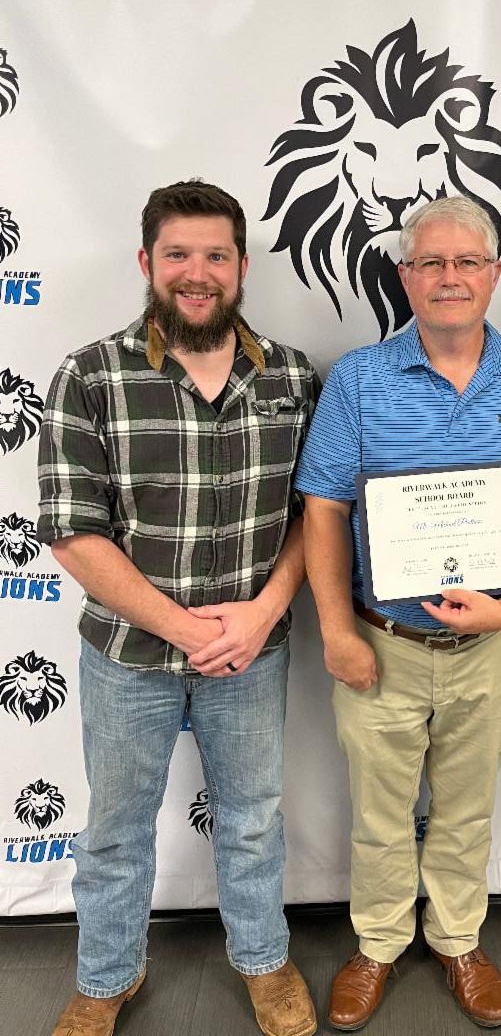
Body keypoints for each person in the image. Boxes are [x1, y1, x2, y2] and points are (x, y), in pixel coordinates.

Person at [37, 180, 320, 1036]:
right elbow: (73, 533)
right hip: (129, 658)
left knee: (253, 822)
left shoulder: (293, 378)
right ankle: (106, 977)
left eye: (216, 255)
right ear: (147, 262)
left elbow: (316, 517)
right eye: (178, 255)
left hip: (253, 653)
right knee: (116, 830)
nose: (198, 273)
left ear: (242, 266)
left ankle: (264, 962)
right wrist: (188, 629)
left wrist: (263, 613)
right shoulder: (90, 376)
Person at [298, 195, 501, 1030]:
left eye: (466, 262)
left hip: (490, 649)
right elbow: (323, 510)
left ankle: (457, 939)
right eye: (431, 263)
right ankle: (378, 944)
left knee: (465, 808)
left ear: (495, 274)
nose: (449, 277)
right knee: (380, 812)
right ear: (404, 275)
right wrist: (338, 631)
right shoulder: (358, 380)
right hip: (381, 642)